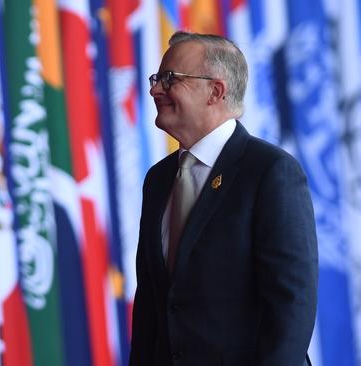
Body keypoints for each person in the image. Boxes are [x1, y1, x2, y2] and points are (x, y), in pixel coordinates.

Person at [129, 31, 318, 366]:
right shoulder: (157, 181)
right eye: (157, 78)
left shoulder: (270, 172)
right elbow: (150, 308)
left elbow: (292, 305)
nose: (154, 90)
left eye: (169, 79)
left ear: (215, 91)